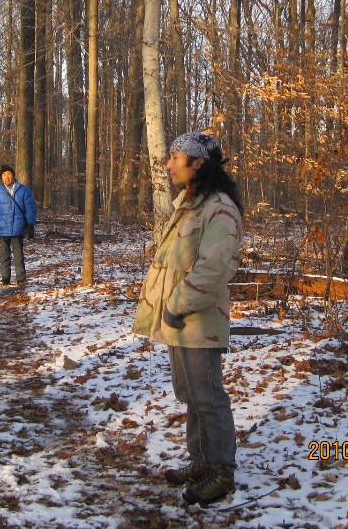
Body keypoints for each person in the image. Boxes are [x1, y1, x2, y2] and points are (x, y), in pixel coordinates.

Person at [132, 131, 243, 506]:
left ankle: (221, 471)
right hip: (177, 318)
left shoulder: (220, 208)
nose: (169, 164)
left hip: (197, 319)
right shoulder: (189, 203)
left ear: (198, 164)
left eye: (176, 157)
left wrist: (177, 304)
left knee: (208, 397)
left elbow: (213, 269)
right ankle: (200, 462)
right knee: (191, 396)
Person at [0, 164, 37, 287]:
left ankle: (21, 278)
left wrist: (30, 224)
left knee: (18, 254)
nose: (6, 177)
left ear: (13, 175)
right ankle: (5, 277)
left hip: (18, 228)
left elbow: (30, 208)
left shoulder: (24, 190)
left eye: (9, 174)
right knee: (4, 254)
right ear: (1, 178)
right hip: (2, 229)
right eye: (4, 175)